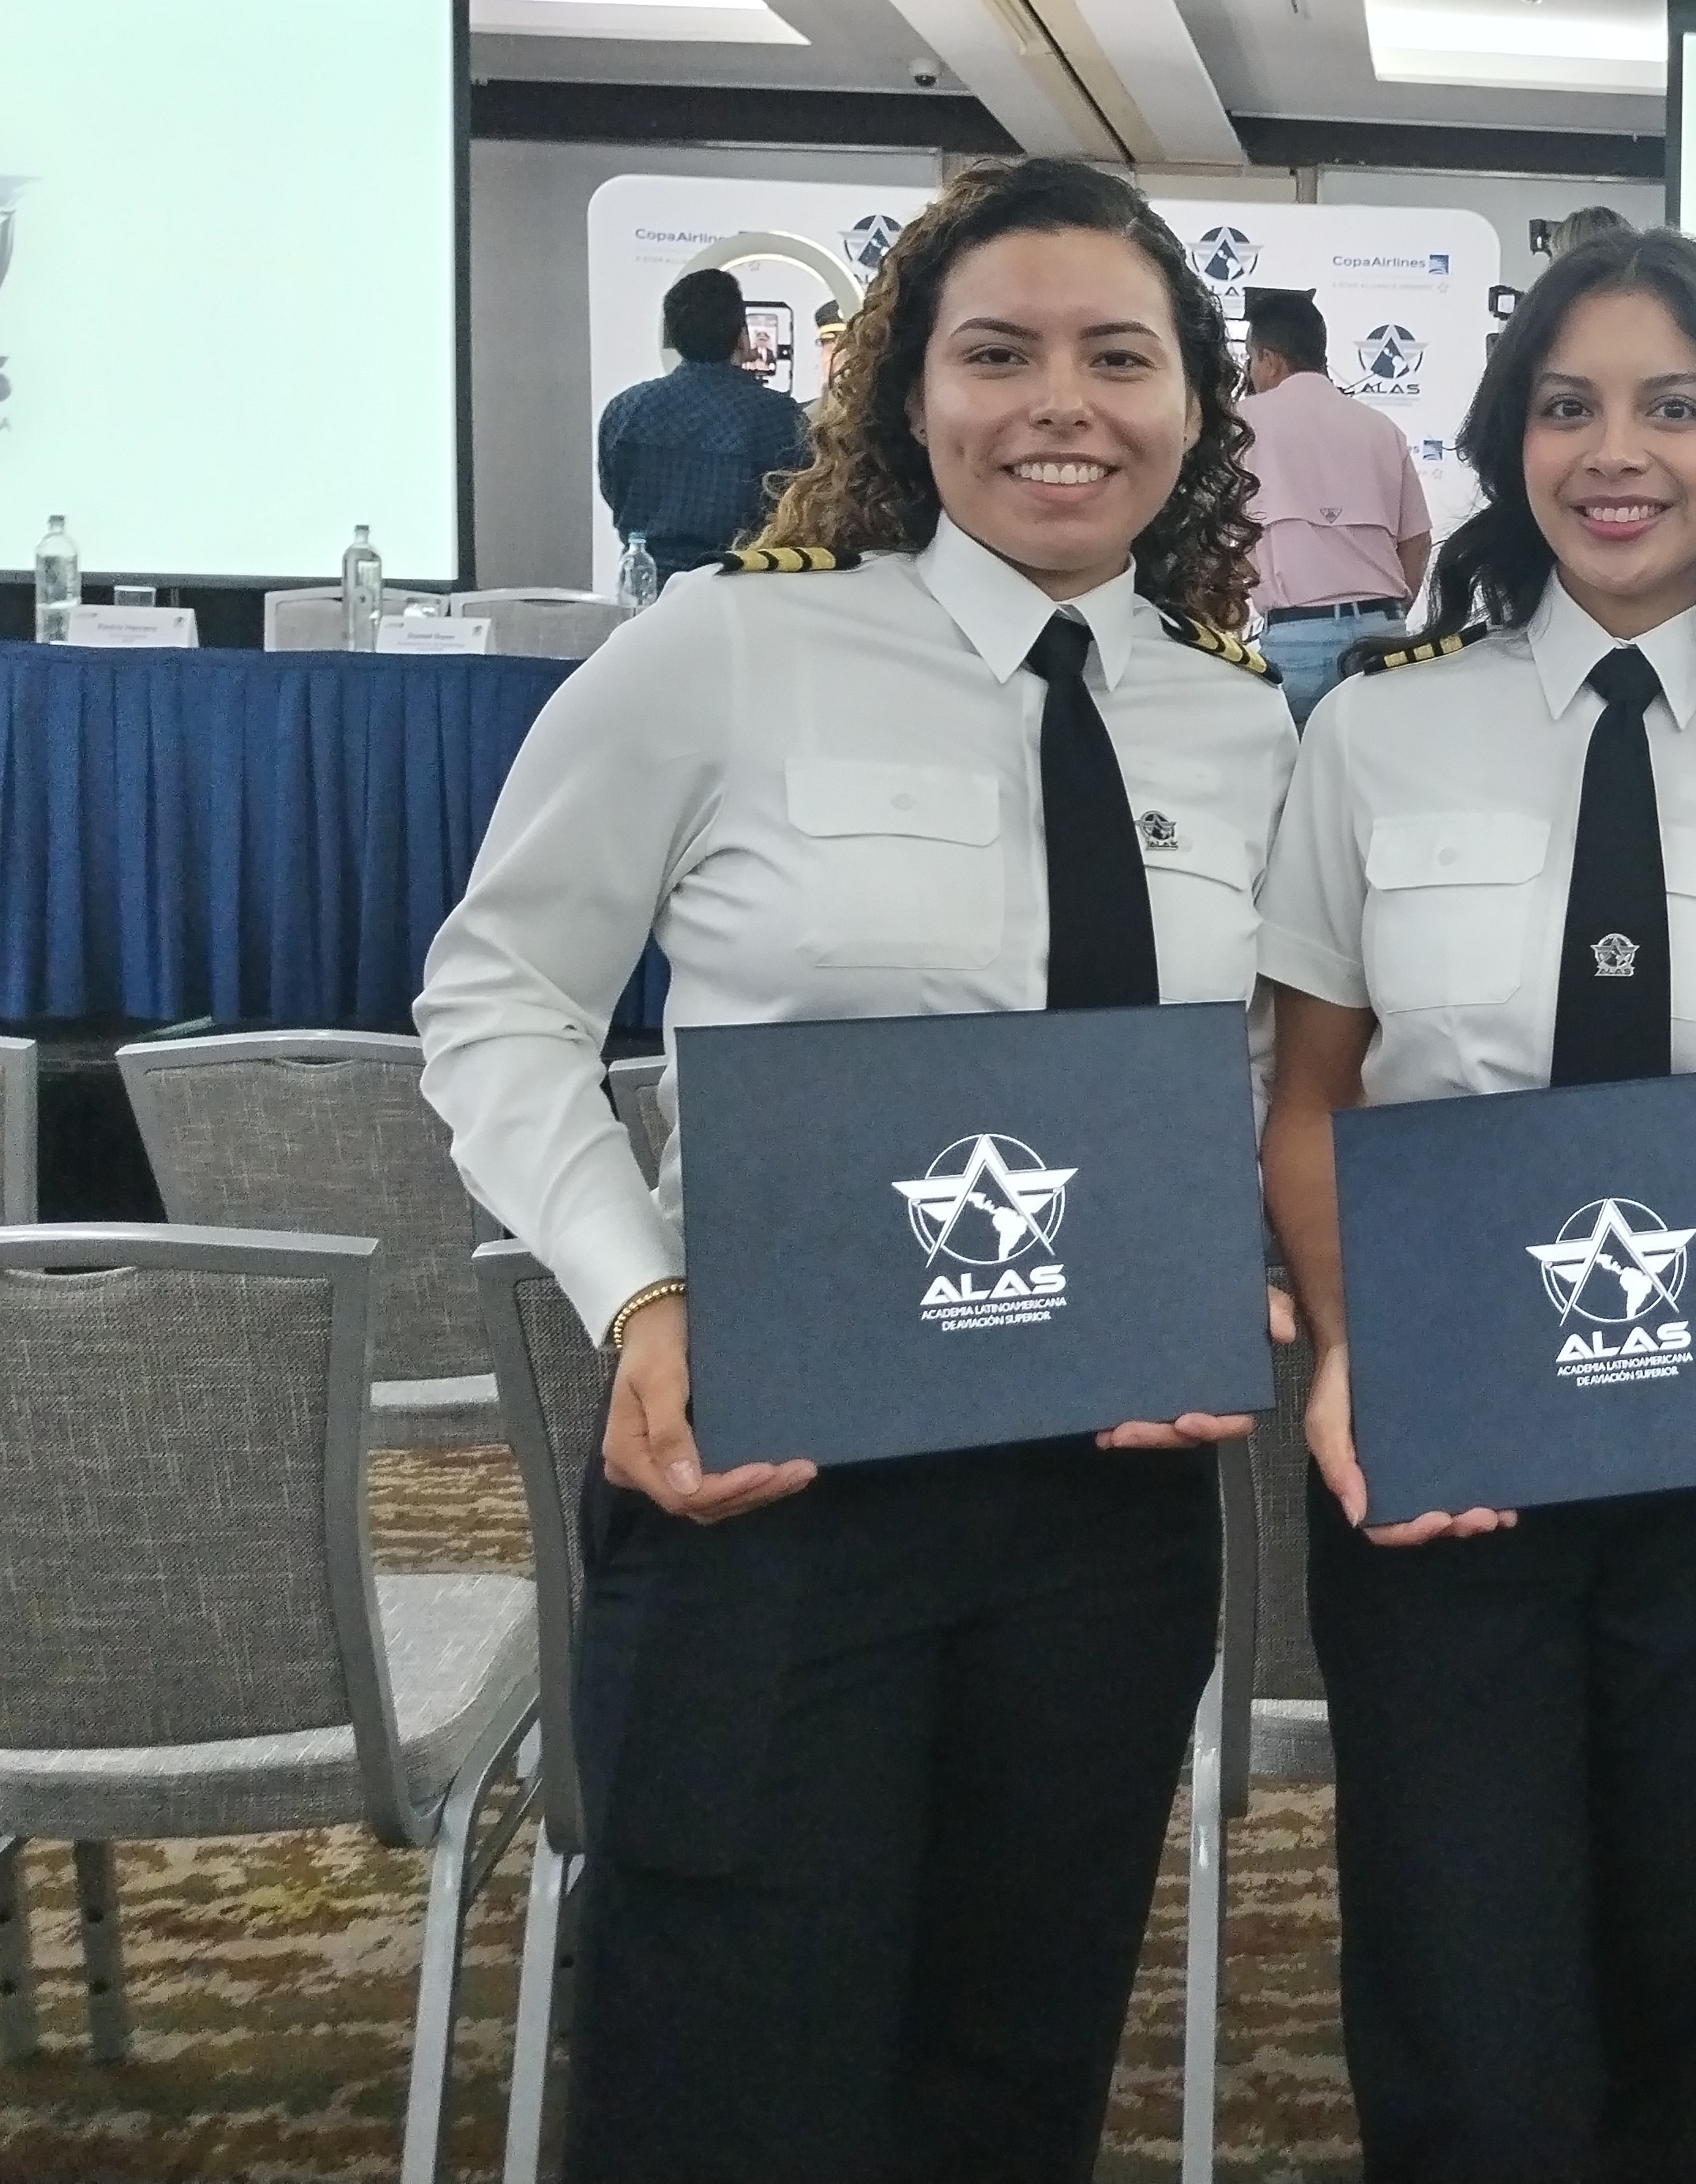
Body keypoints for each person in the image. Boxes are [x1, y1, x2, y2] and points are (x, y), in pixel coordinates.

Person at [416, 157, 1295, 2184]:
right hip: (776, 1479)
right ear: (907, 393)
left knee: (1015, 2061)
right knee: (727, 2068)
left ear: (1189, 409)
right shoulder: (723, 649)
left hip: (1111, 1493)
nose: (1058, 402)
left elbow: (1254, 1077)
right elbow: (496, 998)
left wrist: (1244, 1261)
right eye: (996, 353)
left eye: (1118, 356)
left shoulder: (1244, 726)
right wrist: (638, 1296)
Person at [1254, 224, 1696, 2183]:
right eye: (1564, 406)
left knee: (1689, 1960)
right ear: (1507, 443)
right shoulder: (1377, 730)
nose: (1611, 450)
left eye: (1669, 403)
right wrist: (1359, 1340)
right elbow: (1309, 1093)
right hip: (1447, 1430)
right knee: (1461, 1986)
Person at [1235, 284, 1430, 721]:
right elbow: (1416, 542)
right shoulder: (1382, 428)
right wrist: (1389, 613)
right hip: (1382, 637)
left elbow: (1226, 545)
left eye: (1250, 359)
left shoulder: (1242, 427)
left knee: (1294, 786)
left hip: (1293, 640)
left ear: (1268, 359)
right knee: (1373, 785)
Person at [597, 267, 814, 574]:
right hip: (736, 587)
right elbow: (799, 508)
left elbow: (613, 492)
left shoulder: (623, 409)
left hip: (645, 586)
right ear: (742, 336)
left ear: (672, 336)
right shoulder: (776, 416)